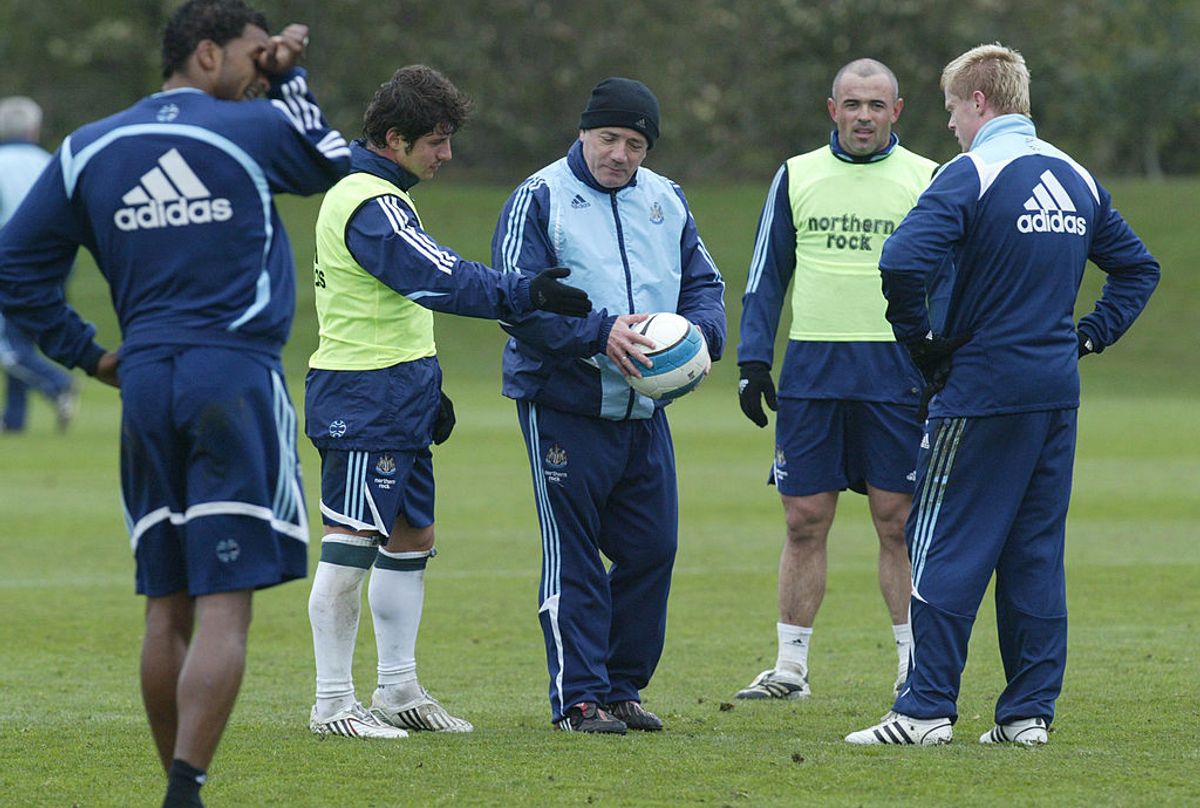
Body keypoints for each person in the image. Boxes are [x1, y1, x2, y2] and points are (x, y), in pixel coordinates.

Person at [0, 1, 350, 804]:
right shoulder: (252, 129)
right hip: (233, 373)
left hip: (147, 380)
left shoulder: (86, 147)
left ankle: (177, 788)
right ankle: (186, 788)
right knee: (224, 601)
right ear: (206, 56)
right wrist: (290, 81)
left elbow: (13, 267)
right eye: (254, 55)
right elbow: (337, 165)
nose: (260, 68)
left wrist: (87, 354)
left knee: (167, 605)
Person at [845, 44, 1159, 746]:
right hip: (1055, 395)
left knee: (940, 545)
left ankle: (923, 711)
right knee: (1034, 554)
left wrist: (918, 339)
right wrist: (1086, 337)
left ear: (978, 103)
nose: (951, 124)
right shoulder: (1076, 177)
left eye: (953, 109)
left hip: (981, 392)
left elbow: (900, 260)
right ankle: (1026, 717)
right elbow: (1137, 269)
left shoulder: (973, 172)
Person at [304, 64, 591, 740]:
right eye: (435, 140)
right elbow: (439, 278)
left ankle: (399, 688)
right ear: (395, 137)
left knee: (411, 539)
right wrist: (525, 292)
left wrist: (426, 388)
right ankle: (332, 704)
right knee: (351, 542)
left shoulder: (385, 195)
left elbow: (403, 300)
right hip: (362, 393)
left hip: (399, 391)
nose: (447, 154)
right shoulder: (367, 202)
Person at [492, 77, 727, 733]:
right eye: (608, 138)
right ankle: (580, 698)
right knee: (575, 555)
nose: (620, 153)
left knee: (653, 549)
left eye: (634, 142)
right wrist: (598, 333)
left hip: (645, 412)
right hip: (563, 402)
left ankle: (622, 688)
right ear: (583, 133)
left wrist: (702, 340)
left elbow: (705, 284)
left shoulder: (666, 200)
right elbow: (516, 304)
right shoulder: (539, 198)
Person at [734, 59, 937, 704]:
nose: (864, 117)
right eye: (852, 104)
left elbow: (952, 276)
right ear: (832, 109)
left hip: (895, 373)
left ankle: (913, 667)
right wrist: (752, 360)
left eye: (876, 105)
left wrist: (945, 357)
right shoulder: (796, 176)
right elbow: (768, 273)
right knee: (804, 519)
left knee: (897, 520)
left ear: (896, 111)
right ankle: (790, 668)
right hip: (814, 372)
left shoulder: (929, 178)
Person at [0, 96, 78, 433]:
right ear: (34, 129)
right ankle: (14, 420)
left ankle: (56, 382)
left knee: (7, 346)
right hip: (54, 267)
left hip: (8, 267)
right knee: (21, 340)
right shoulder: (52, 163)